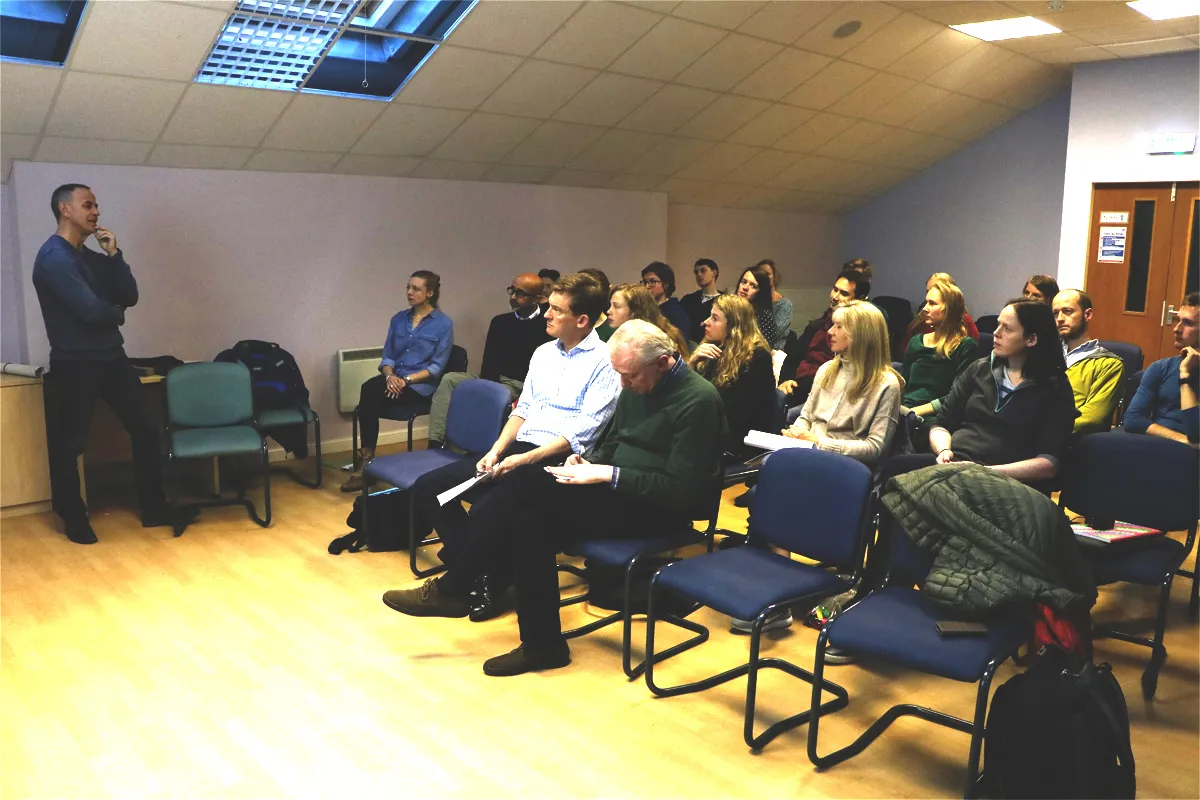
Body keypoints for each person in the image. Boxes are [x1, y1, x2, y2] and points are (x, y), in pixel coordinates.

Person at [382, 320, 726, 677]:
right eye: (620, 375)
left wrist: (606, 473)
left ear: (664, 362)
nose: (624, 384)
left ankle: (457, 585)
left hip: (659, 509)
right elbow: (614, 444)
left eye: (631, 376)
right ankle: (543, 645)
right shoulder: (638, 386)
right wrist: (588, 463)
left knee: (524, 484)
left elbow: (681, 491)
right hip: (619, 489)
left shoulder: (698, 400)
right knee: (529, 519)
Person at [404, 273, 621, 621]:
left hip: (557, 459)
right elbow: (523, 410)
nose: (546, 315)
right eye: (547, 307)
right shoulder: (544, 353)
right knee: (429, 489)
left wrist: (522, 459)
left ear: (581, 320)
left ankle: (467, 585)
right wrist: (496, 450)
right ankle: (488, 575)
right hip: (518, 447)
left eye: (555, 310)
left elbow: (583, 434)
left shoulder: (604, 362)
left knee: (487, 508)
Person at [32, 183, 184, 544]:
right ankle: (73, 518)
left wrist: (114, 256)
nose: (96, 211)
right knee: (70, 444)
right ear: (64, 210)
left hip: (112, 358)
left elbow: (129, 295)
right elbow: (91, 311)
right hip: (74, 363)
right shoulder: (54, 258)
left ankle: (153, 508)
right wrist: (116, 313)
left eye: (97, 205)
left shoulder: (88, 256)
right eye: (87, 205)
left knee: (146, 429)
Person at [920, 299, 1077, 483]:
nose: (996, 333)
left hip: (1006, 480)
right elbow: (940, 424)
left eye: (1007, 329)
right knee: (897, 469)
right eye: (998, 325)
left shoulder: (1055, 387)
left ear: (1032, 339)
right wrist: (944, 451)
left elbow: (1049, 463)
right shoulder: (980, 369)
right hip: (955, 463)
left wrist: (985, 471)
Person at [342, 270, 453, 492]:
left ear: (429, 293)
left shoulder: (443, 324)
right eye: (408, 287)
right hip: (393, 381)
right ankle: (368, 461)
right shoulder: (398, 319)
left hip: (419, 386)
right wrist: (390, 376)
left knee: (369, 398)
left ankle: (366, 463)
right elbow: (388, 357)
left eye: (416, 289)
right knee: (370, 390)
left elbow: (436, 368)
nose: (409, 292)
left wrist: (405, 380)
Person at [425, 273, 550, 449]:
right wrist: (487, 384)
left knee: (493, 394)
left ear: (538, 298)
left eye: (520, 293)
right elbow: (490, 358)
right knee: (450, 379)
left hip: (519, 384)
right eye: (512, 290)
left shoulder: (546, 325)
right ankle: (436, 442)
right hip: (494, 378)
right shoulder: (500, 321)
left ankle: (475, 447)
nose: (513, 297)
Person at [783, 300, 902, 466]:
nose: (830, 332)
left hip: (844, 465)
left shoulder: (887, 384)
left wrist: (819, 443)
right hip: (809, 451)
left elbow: (875, 448)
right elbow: (806, 417)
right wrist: (797, 434)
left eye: (839, 327)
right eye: (833, 325)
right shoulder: (826, 369)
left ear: (861, 334)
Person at [688, 294, 776, 460]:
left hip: (736, 444)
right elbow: (686, 396)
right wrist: (691, 365)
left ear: (733, 326)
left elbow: (729, 412)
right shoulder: (714, 349)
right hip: (708, 433)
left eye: (714, 318)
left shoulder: (757, 358)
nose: (706, 322)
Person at [899, 280, 980, 440]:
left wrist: (916, 411)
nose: (924, 309)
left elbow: (957, 396)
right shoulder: (916, 341)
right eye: (926, 302)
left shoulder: (965, 346)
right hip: (905, 410)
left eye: (932, 303)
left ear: (948, 309)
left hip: (934, 417)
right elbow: (902, 383)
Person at [778, 267, 869, 408]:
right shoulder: (819, 324)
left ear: (860, 300)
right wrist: (786, 380)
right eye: (835, 289)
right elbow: (793, 358)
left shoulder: (858, 335)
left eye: (843, 293)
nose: (835, 296)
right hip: (797, 387)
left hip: (825, 395)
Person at [1125, 292, 1200, 445]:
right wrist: (1183, 441)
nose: (1176, 329)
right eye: (1178, 320)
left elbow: (1196, 432)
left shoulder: (1180, 370)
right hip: (1160, 447)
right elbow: (1133, 419)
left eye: (1188, 323)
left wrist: (1184, 377)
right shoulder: (1161, 367)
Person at [1052, 289, 1125, 436]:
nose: (1060, 318)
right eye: (1055, 313)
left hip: (1070, 443)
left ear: (1088, 314)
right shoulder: (1045, 354)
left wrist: (1041, 431)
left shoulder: (1109, 364)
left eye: (1067, 311)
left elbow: (1092, 418)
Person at [606, 283, 690, 359]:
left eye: (616, 306)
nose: (609, 311)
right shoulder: (622, 338)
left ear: (634, 312)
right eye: (610, 305)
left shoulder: (652, 345)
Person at [904, 272, 979, 342]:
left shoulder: (964, 322)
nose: (931, 293)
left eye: (937, 289)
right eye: (928, 291)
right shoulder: (921, 319)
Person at [641, 261, 692, 338]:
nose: (647, 286)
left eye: (652, 281)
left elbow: (681, 341)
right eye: (645, 282)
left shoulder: (676, 312)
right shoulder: (643, 309)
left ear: (665, 285)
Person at [679, 258, 722, 343]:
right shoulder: (688, 300)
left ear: (714, 272)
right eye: (696, 272)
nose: (699, 274)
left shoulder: (724, 300)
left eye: (703, 271)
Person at [734, 264, 778, 348]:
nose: (745, 288)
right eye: (743, 282)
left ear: (760, 292)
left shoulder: (765, 316)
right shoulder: (728, 308)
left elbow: (763, 350)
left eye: (753, 286)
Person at [755, 259, 793, 350]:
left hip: (773, 351)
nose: (764, 276)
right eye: (761, 273)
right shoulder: (755, 301)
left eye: (768, 274)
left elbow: (774, 333)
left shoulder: (784, 304)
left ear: (774, 277)